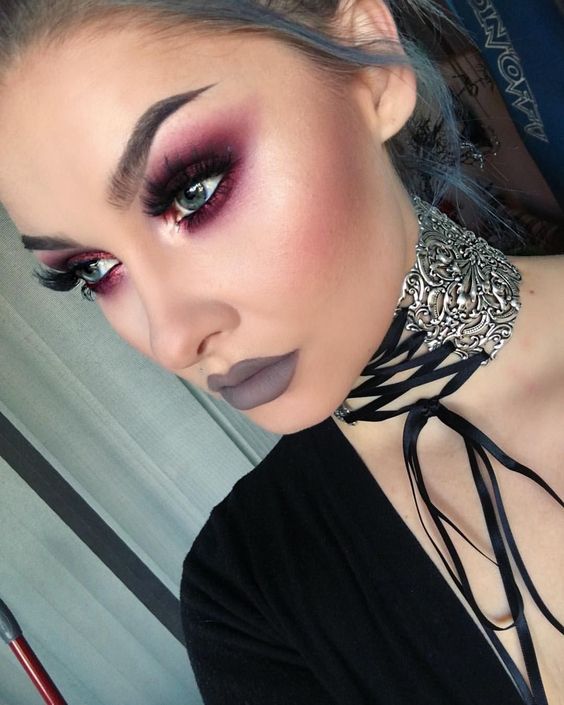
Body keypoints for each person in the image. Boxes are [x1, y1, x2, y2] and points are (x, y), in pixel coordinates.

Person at [0, 1, 561, 703]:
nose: (171, 337)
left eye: (194, 192)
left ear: (374, 70)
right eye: (93, 270)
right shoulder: (248, 593)